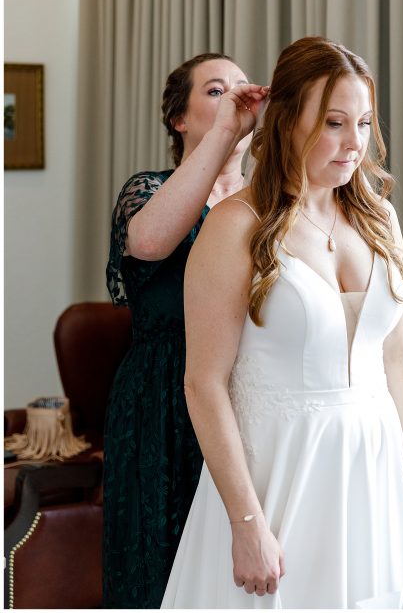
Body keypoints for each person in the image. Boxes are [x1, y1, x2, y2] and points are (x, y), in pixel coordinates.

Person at [161, 37, 403, 607]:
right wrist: (245, 521)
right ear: (286, 121)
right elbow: (203, 383)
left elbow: (396, 356)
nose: (355, 143)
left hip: (371, 470)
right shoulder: (235, 225)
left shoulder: (379, 217)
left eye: (363, 122)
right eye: (335, 123)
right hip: (277, 477)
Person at [104, 53, 267, 608]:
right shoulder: (147, 190)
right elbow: (149, 244)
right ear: (180, 118)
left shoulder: (267, 203)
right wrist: (221, 139)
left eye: (243, 91)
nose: (235, 101)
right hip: (165, 403)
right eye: (217, 91)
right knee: (163, 570)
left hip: (249, 398)